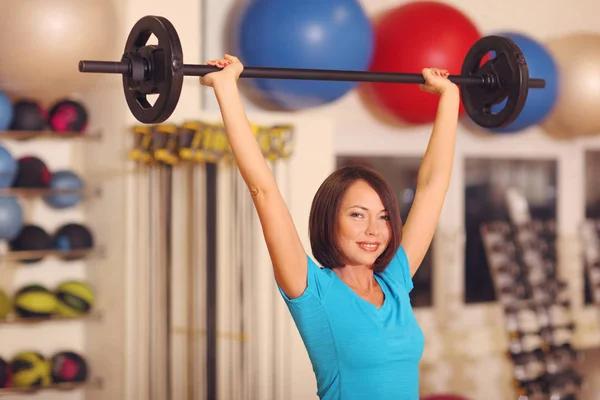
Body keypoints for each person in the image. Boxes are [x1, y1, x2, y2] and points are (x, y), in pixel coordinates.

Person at [201, 54, 459, 400]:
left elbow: (432, 186)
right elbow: (263, 190)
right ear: (329, 220)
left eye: (383, 216)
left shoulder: (395, 282)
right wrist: (226, 87)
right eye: (357, 214)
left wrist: (449, 96)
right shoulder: (312, 290)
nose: (374, 230)